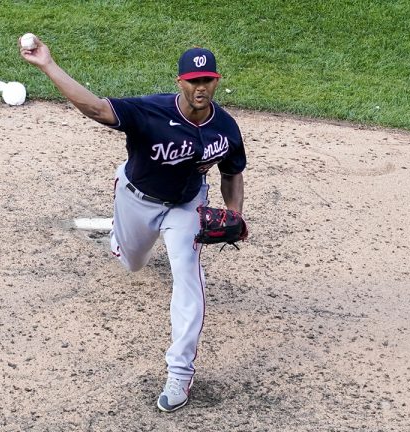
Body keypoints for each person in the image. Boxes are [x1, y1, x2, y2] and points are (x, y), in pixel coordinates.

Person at [19, 35, 246, 412]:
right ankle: (119, 237)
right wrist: (47, 65)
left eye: (207, 79)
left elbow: (232, 173)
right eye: (193, 80)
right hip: (135, 200)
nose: (200, 87)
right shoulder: (150, 111)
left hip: (186, 208)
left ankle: (180, 372)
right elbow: (95, 108)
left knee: (189, 277)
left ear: (217, 81)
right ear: (181, 82)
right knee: (132, 261)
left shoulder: (226, 128)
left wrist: (235, 212)